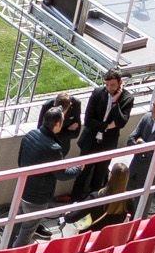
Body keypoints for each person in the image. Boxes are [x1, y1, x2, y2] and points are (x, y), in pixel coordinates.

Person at [12, 100, 73, 244]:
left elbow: (20, 162)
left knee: (15, 225)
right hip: (37, 198)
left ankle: (6, 250)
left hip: (22, 189)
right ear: (57, 124)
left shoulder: (30, 135)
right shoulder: (54, 148)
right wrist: (79, 168)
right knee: (27, 230)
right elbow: (62, 174)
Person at [75, 73, 132, 211]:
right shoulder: (97, 93)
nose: (109, 88)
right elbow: (88, 120)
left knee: (99, 175)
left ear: (119, 83)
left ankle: (93, 206)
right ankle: (75, 202)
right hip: (90, 141)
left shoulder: (127, 98)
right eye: (106, 85)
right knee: (82, 173)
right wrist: (106, 126)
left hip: (107, 144)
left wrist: (115, 102)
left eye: (112, 85)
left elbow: (121, 122)